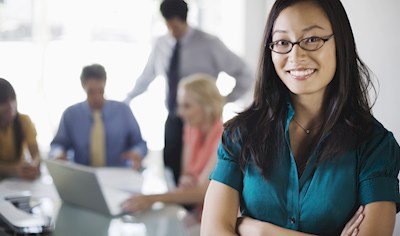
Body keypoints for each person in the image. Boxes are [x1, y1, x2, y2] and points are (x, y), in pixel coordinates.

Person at [201, 0, 400, 235]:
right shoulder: (239, 134)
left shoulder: (375, 145)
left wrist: (259, 230)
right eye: (283, 42)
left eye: (312, 39)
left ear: (340, 43)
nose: (296, 55)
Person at [123, 0, 253, 183]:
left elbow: (245, 73)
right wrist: (127, 100)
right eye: (168, 25)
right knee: (174, 172)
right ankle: (182, 210)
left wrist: (221, 101)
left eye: (175, 26)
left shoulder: (209, 44)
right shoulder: (161, 44)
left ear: (183, 20)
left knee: (205, 177)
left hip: (203, 120)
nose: (171, 31)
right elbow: (146, 77)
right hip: (175, 117)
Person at [122, 74, 224, 225]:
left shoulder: (224, 139)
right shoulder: (190, 129)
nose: (180, 113)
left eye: (187, 106)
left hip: (217, 219)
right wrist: (186, 180)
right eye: (180, 105)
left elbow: (202, 193)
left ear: (207, 107)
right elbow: (185, 175)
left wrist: (150, 199)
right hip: (197, 213)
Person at [50, 64, 147, 170]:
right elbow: (57, 145)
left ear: (105, 84)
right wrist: (58, 154)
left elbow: (140, 144)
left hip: (118, 174)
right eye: (91, 92)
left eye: (100, 91)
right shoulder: (70, 114)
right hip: (84, 175)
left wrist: (136, 152)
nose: (96, 97)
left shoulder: (123, 111)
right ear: (83, 86)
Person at [0, 78, 41, 180]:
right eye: (4, 101)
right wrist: (14, 168)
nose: (11, 106)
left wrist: (34, 165)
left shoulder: (24, 120)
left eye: (13, 99)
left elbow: (36, 154)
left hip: (19, 179)